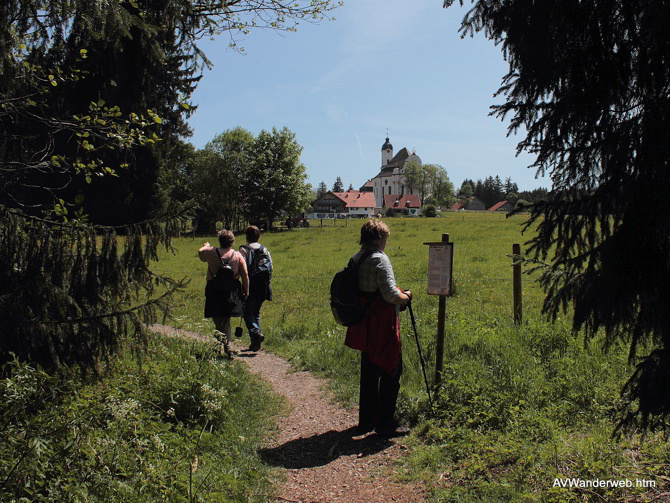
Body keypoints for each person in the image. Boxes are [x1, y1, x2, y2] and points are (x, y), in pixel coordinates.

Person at [345, 219, 412, 437]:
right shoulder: (380, 260)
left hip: (364, 322)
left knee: (369, 372)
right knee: (391, 369)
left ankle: (366, 421)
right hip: (382, 324)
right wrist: (407, 296)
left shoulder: (356, 257)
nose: (386, 243)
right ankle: (385, 423)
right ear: (379, 238)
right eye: (385, 238)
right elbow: (391, 296)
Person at [199, 229, 249, 357]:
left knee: (218, 318)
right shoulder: (237, 255)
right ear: (232, 241)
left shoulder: (211, 252)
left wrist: (206, 246)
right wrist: (245, 291)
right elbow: (245, 275)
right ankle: (224, 346)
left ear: (219, 240)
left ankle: (224, 346)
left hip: (214, 289)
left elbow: (200, 253)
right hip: (231, 291)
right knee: (225, 319)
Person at [239, 225, 273, 352]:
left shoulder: (244, 249)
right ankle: (255, 343)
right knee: (256, 312)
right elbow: (271, 267)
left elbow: (240, 267)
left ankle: (255, 333)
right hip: (264, 285)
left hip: (250, 284)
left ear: (247, 236)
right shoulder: (264, 249)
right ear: (258, 236)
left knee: (247, 312)